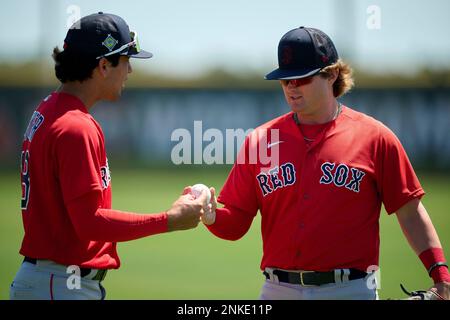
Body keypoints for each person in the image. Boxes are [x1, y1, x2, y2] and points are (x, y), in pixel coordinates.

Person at [202, 26, 450, 300]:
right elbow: (236, 223)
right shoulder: (260, 141)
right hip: (277, 289)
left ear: (332, 74)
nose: (292, 87)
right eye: (285, 80)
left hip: (350, 290)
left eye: (301, 78)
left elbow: (410, 211)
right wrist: (212, 216)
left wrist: (441, 277)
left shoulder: (375, 137)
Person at [10, 12, 208, 300]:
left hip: (51, 280)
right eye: (126, 61)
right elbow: (90, 223)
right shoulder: (76, 126)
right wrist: (169, 219)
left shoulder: (49, 109)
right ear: (103, 65)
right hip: (61, 283)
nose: (129, 71)